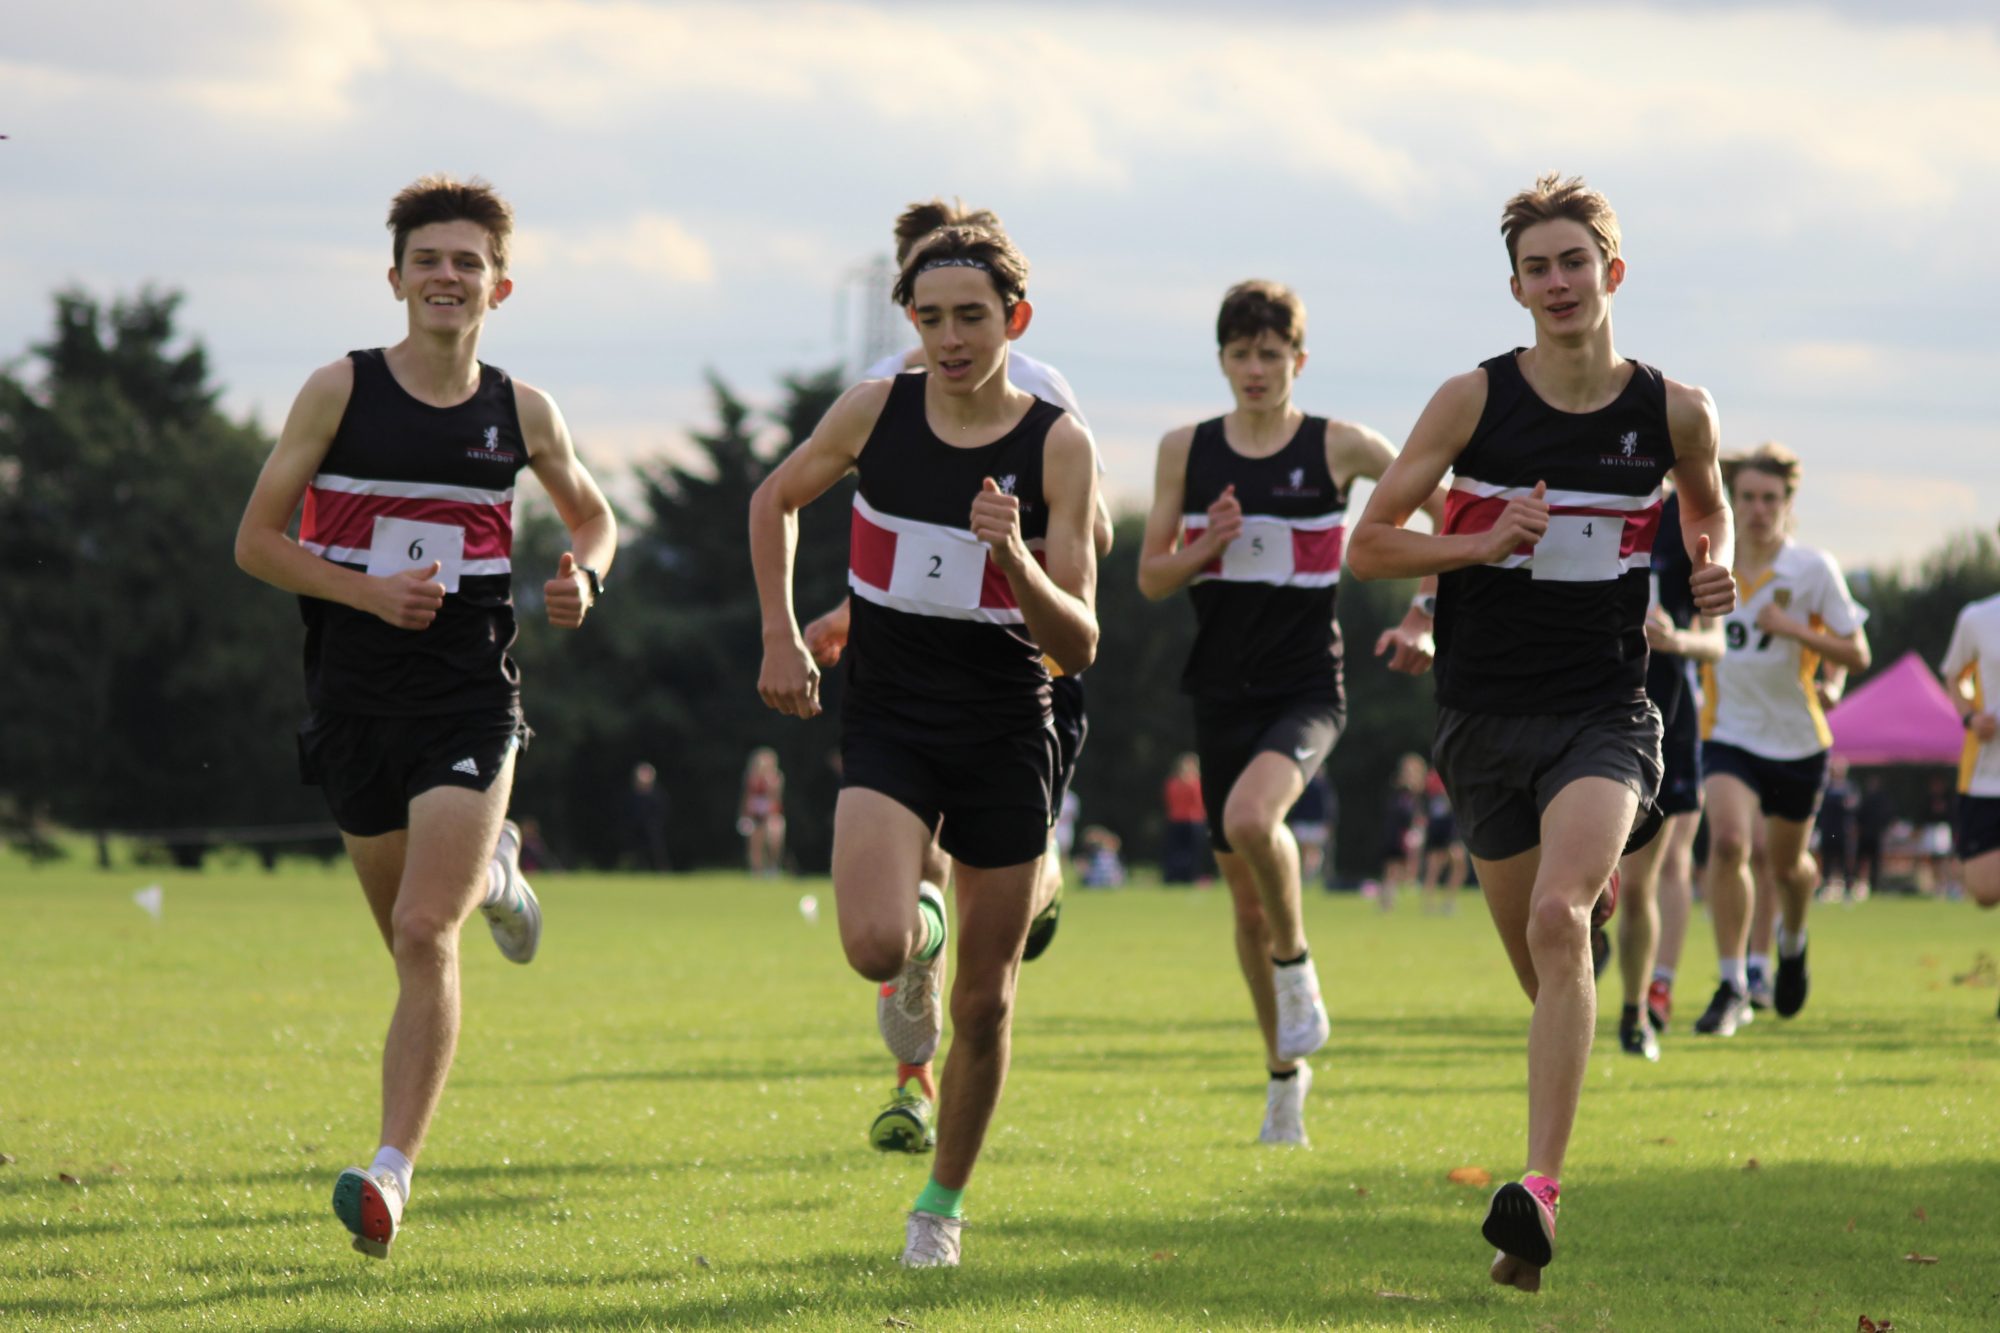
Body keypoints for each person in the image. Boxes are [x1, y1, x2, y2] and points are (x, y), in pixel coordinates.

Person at [1348, 172, 1735, 1292]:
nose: (1557, 282)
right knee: (1543, 960)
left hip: (1606, 710)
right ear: (1514, 287)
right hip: (1479, 716)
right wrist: (1475, 547)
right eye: (1536, 267)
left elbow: (1702, 508)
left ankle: (1539, 1192)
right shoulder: (1471, 402)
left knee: (1561, 920)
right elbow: (1370, 547)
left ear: (1612, 273)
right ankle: (1583, 938)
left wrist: (1708, 568)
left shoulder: (1672, 411)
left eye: (1575, 262)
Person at [234, 175, 616, 1259]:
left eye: (467, 262)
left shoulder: (520, 410)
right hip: (351, 699)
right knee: (409, 940)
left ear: (500, 283)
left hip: (467, 693)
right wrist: (364, 592)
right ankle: (496, 871)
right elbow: (255, 542)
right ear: (395, 276)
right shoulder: (337, 393)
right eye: (428, 260)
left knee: (420, 928)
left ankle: (391, 1172)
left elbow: (595, 517)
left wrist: (582, 577)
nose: (447, 277)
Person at [750, 221, 1098, 1269]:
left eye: (972, 318)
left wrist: (1015, 559)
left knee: (987, 1004)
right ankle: (922, 933)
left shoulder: (1056, 444)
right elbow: (773, 498)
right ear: (910, 321)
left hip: (1004, 730)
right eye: (930, 317)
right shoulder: (875, 410)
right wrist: (779, 630)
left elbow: (1075, 642)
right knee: (872, 944)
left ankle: (938, 1205)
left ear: (1014, 322)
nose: (949, 338)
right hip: (891, 722)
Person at [1139, 278, 1443, 1150]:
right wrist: (1207, 544)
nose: (1255, 369)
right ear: (1223, 361)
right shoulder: (1184, 450)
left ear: (1298, 360)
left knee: (1247, 816)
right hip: (1220, 690)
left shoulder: (1341, 445)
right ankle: (1282, 1080)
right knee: (1243, 910)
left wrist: (1426, 607)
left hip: (1308, 687)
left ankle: (1299, 962)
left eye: (1272, 354)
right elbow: (1152, 576)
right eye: (1240, 354)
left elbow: (1444, 505)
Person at [1692, 443, 1869, 1037]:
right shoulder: (1710, 560)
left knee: (1788, 865)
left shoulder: (1812, 569)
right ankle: (1732, 981)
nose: (1758, 510)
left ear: (1788, 504)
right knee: (1730, 845)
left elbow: (1856, 652)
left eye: (1770, 499)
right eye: (1747, 497)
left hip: (1797, 741)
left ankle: (1792, 943)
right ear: (1732, 499)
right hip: (1728, 733)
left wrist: (1795, 631)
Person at [1612, 487, 1724, 1059]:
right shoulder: (1578, 492)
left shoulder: (1689, 519)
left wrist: (1676, 640)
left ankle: (1640, 1007)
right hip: (1585, 713)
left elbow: (1717, 641)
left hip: (1666, 722)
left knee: (1643, 880)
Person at [1942, 581, 2000, 1012]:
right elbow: (1953, 676)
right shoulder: (1978, 617)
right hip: (1984, 777)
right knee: (1983, 890)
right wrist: (1970, 715)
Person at [1377, 753, 1428, 912]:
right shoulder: (1398, 791)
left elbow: (1417, 815)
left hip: (1405, 834)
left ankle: (1389, 897)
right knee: (1391, 867)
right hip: (1395, 834)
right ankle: (1386, 900)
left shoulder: (1416, 796)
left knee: (1400, 868)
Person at [1419, 767, 1468, 916]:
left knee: (1459, 865)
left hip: (1453, 827)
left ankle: (1448, 901)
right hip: (1440, 828)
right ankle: (1429, 904)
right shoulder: (1435, 775)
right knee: (1435, 866)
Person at [1816, 754, 1860, 901]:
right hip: (1828, 829)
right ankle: (1823, 888)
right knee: (1826, 860)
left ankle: (1848, 891)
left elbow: (1854, 805)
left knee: (1845, 861)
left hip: (1843, 831)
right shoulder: (1826, 787)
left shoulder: (1850, 787)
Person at [1161, 752, 1209, 885]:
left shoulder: (1197, 783)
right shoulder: (1173, 783)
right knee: (1175, 852)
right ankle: (1173, 877)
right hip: (1179, 820)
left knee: (1194, 853)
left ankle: (1192, 877)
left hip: (1193, 820)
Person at [740, 747, 787, 876]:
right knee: (755, 844)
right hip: (755, 816)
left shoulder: (776, 778)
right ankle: (756, 871)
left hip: (772, 815)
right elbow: (746, 798)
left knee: (775, 839)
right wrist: (744, 816)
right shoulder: (750, 778)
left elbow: (775, 798)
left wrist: (768, 781)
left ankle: (773, 868)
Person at [1288, 764, 1334, 884]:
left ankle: (1310, 873)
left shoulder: (1324, 787)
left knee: (1314, 850)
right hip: (1303, 821)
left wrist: (1328, 822)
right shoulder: (1303, 785)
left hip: (1317, 823)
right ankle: (1306, 873)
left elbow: (1328, 807)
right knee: (1305, 850)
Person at [626, 761, 670, 872]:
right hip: (636, 829)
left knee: (656, 850)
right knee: (637, 852)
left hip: (653, 829)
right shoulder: (632, 795)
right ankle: (638, 870)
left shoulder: (657, 794)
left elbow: (662, 811)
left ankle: (661, 869)